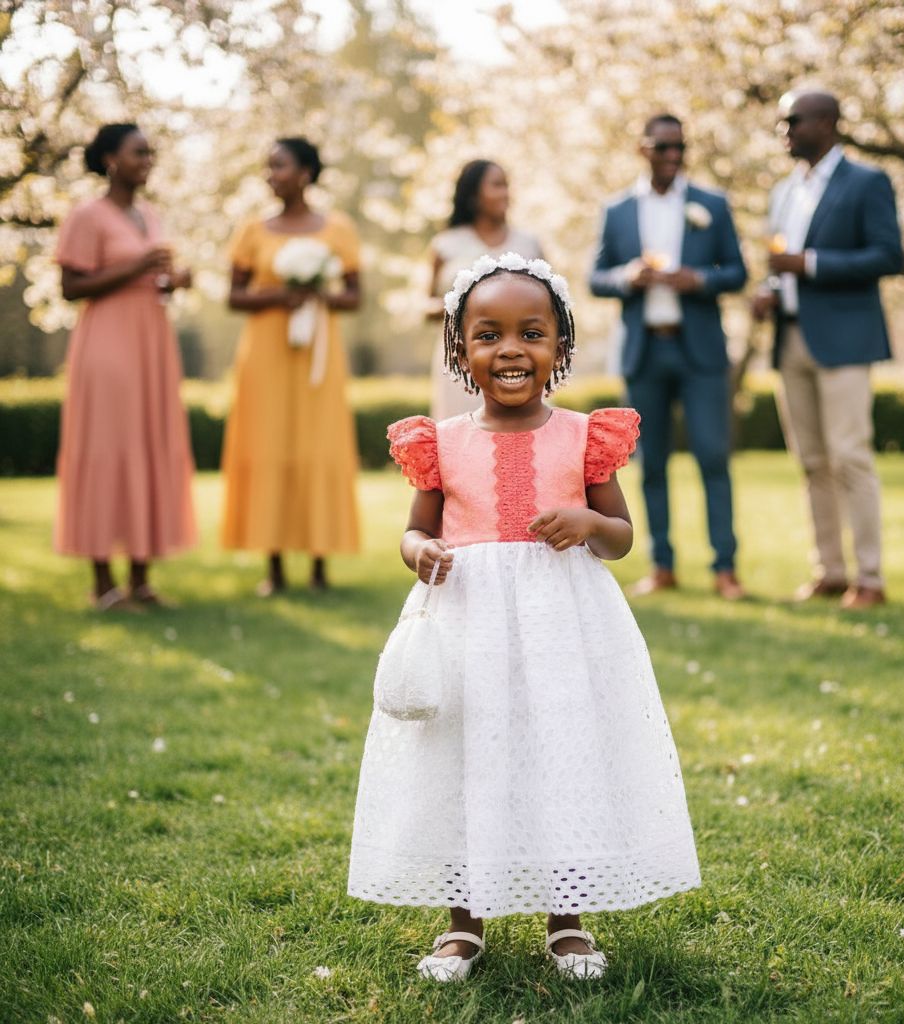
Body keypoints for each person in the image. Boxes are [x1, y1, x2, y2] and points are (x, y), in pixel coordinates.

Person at [348, 252, 700, 982]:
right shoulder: (439, 442)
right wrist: (422, 551)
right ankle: (461, 923)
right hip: (467, 621)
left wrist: (583, 519)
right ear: (459, 349)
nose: (510, 350)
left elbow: (622, 535)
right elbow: (414, 530)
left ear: (560, 349)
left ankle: (566, 920)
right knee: (464, 754)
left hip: (562, 627)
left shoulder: (584, 438)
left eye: (531, 333)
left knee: (559, 752)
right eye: (488, 335)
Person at [752, 90, 903, 609]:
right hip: (790, 338)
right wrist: (768, 293)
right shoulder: (783, 192)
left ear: (827, 122)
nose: (784, 131)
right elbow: (780, 264)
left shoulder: (867, 182)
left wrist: (810, 264)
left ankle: (871, 578)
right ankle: (830, 571)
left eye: (792, 121)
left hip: (845, 340)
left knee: (849, 457)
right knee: (812, 461)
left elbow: (888, 256)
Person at [590, 113, 748, 600]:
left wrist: (698, 279)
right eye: (663, 147)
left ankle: (725, 568)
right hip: (644, 350)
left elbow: (738, 272)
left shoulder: (711, 205)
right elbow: (597, 277)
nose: (673, 156)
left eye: (680, 147)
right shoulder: (617, 210)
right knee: (650, 463)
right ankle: (662, 565)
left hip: (699, 349)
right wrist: (627, 276)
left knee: (713, 457)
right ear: (643, 149)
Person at [54, 123, 196, 609]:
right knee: (106, 445)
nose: (148, 160)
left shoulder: (148, 214)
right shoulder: (87, 216)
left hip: (151, 343)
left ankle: (140, 577)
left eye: (151, 153)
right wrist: (137, 267)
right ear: (110, 159)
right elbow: (70, 287)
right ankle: (102, 581)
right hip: (107, 347)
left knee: (149, 443)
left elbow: (148, 277)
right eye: (139, 153)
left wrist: (172, 281)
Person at [221, 138, 362, 594]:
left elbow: (355, 296)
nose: (269, 174)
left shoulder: (337, 228)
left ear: (305, 172)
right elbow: (234, 296)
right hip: (265, 356)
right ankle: (274, 565)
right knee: (269, 445)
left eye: (278, 166)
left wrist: (320, 294)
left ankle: (320, 564)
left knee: (318, 445)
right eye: (267, 166)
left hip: (319, 356)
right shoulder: (251, 230)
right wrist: (281, 295)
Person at [426, 160, 543, 419]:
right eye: (497, 185)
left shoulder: (528, 244)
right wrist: (456, 305)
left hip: (517, 356)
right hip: (461, 357)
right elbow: (426, 305)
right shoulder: (446, 244)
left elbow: (550, 306)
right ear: (473, 194)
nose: (506, 193)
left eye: (507, 186)